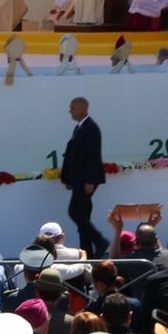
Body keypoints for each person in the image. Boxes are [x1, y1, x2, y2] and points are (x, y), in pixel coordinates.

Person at [57, 98, 108, 258]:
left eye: (72, 108)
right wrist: (69, 179)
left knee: (75, 212)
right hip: (78, 180)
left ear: (82, 108)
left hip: (86, 180)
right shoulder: (79, 128)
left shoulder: (91, 128)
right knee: (83, 216)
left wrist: (90, 181)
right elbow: (75, 155)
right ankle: (88, 252)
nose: (70, 111)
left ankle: (100, 241)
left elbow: (93, 156)